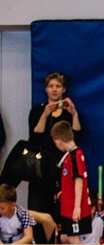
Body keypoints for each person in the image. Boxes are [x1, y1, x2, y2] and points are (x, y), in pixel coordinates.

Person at [28, 72, 83, 217]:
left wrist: (74, 114)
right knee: (38, 211)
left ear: (63, 89)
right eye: (50, 86)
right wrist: (45, 116)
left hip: (62, 169)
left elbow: (76, 138)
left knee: (60, 213)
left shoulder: (68, 112)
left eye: (58, 86)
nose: (54, 89)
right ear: (45, 89)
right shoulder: (38, 110)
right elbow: (34, 139)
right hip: (41, 169)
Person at [50, 121, 90, 245]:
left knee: (73, 239)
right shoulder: (69, 156)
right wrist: (65, 192)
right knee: (64, 238)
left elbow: (79, 180)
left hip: (74, 207)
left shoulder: (75, 156)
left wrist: (77, 207)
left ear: (58, 141)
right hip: (68, 206)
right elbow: (71, 181)